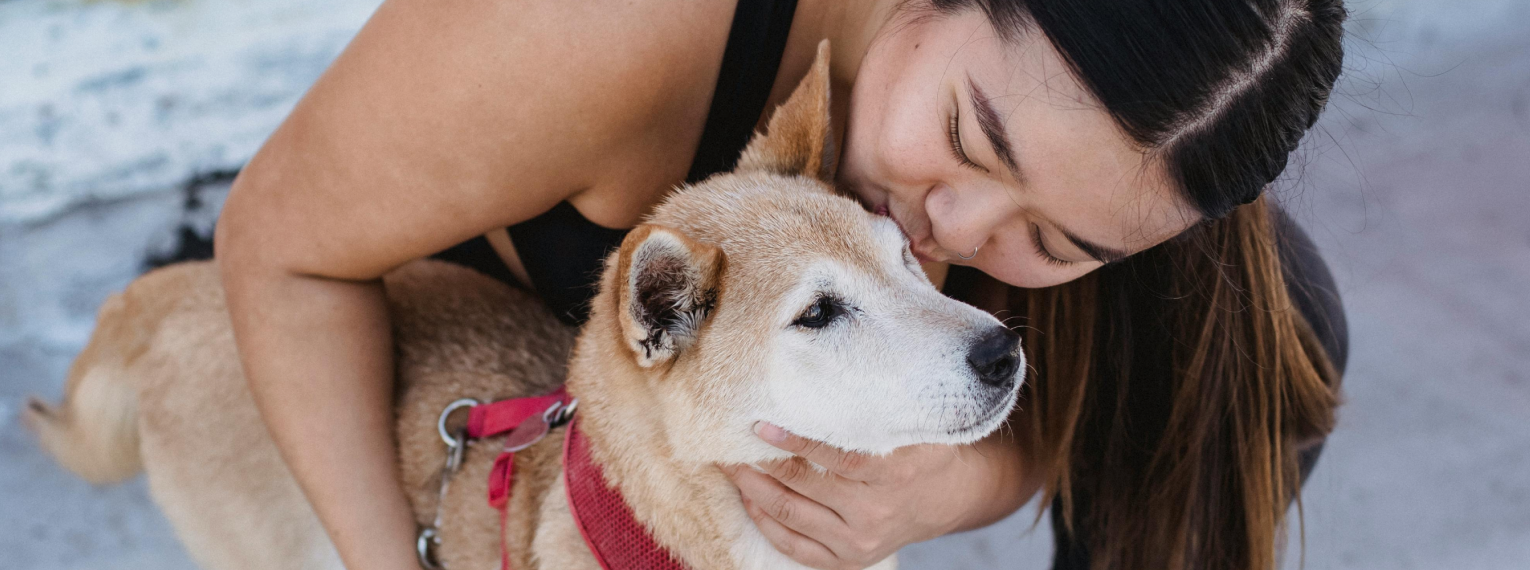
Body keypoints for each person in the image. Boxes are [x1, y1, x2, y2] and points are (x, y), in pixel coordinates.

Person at [214, 0, 1349, 569]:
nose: (946, 228)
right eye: (969, 136)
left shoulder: (1101, 164)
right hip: (488, 349)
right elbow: (279, 246)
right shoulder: (595, 31)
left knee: (1277, 344)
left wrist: (959, 485)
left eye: (1056, 245)